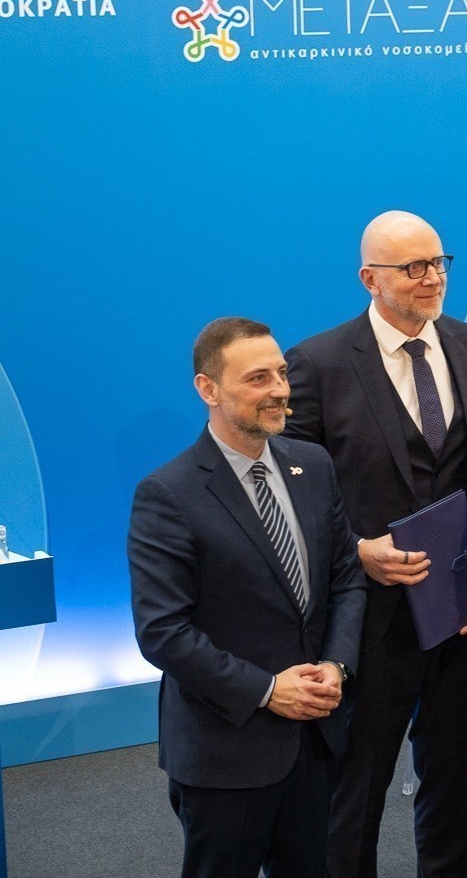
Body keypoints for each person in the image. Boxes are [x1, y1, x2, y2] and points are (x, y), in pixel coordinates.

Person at [283, 210, 467, 878]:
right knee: (356, 789)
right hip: (370, 616)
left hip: (464, 608)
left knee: (452, 780)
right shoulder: (318, 363)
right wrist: (357, 551)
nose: (432, 278)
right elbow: (291, 493)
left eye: (439, 263)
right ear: (369, 279)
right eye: (414, 268)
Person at [127, 317, 368, 878]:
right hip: (225, 751)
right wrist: (267, 690)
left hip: (316, 737)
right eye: (259, 378)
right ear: (208, 389)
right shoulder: (167, 494)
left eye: (281, 374)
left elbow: (347, 578)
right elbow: (162, 632)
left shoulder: (314, 466)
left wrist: (337, 664)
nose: (280, 390)